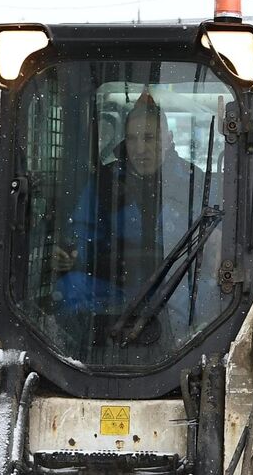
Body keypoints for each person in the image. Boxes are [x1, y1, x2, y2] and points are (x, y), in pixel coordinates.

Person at [53, 93, 207, 320]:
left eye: (149, 138)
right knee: (71, 286)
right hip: (115, 285)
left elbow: (215, 241)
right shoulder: (105, 183)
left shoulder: (193, 182)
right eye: (132, 139)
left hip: (175, 285)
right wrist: (72, 253)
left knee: (206, 293)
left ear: (169, 139)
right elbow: (81, 233)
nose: (140, 148)